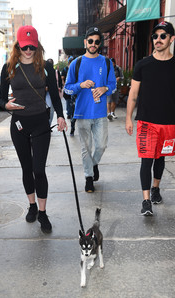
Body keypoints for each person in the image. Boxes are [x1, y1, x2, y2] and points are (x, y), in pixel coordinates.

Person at [0, 25, 67, 233]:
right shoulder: (9, 67)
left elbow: (55, 96)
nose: (28, 50)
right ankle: (32, 206)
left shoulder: (46, 67)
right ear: (17, 46)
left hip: (40, 122)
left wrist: (62, 115)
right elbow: (1, 99)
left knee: (39, 169)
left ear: (37, 46)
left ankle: (43, 213)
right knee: (26, 168)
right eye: (24, 46)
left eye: (32, 46)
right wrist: (6, 105)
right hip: (18, 124)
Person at [125, 21, 175, 216]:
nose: (158, 40)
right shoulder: (142, 64)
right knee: (146, 160)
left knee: (161, 157)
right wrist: (128, 118)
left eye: (163, 36)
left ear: (171, 39)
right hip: (147, 122)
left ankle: (155, 189)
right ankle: (146, 201)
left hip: (170, 123)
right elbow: (133, 94)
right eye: (155, 36)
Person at [64, 27, 116, 192]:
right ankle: (88, 177)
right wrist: (81, 85)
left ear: (100, 44)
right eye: (91, 41)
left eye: (97, 42)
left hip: (100, 113)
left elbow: (113, 85)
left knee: (100, 145)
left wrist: (104, 89)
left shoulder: (106, 62)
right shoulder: (76, 63)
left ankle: (93, 165)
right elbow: (67, 89)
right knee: (86, 148)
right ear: (85, 42)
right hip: (82, 113)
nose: (93, 44)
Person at [46, 58, 63, 124]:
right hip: (45, 95)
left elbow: (59, 80)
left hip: (52, 93)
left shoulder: (54, 71)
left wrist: (60, 87)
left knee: (51, 110)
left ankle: (49, 124)